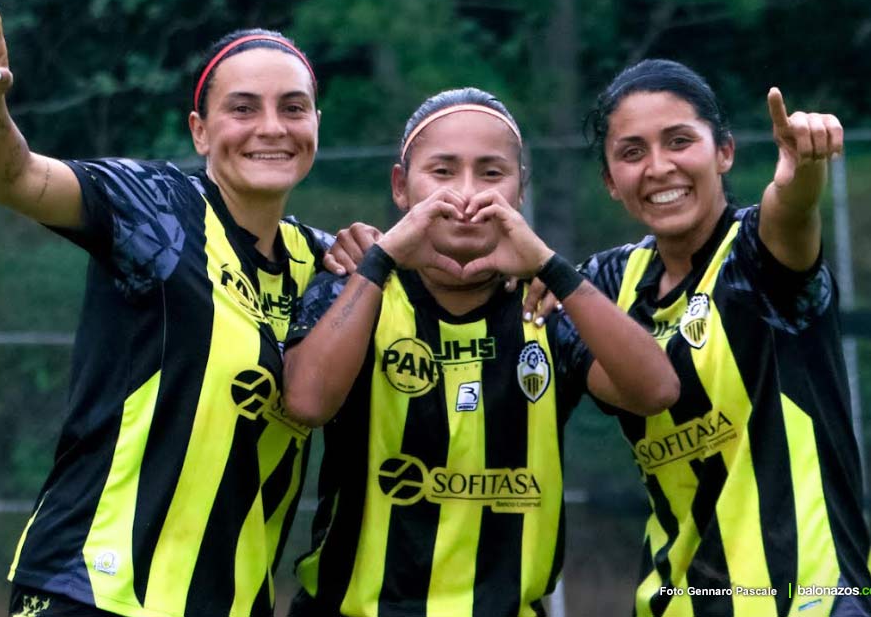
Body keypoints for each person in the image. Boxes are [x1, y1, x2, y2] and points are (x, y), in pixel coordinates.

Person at [0, 0, 334, 617]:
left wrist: (533, 276)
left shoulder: (327, 269)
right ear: (199, 130)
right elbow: (15, 176)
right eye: (243, 107)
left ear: (316, 124)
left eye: (293, 108)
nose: (271, 127)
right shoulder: (154, 209)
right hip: (93, 591)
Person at [280, 88, 680, 617]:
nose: (466, 195)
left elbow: (656, 391)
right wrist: (379, 263)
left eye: (491, 174)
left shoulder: (548, 305)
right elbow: (305, 402)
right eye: (442, 172)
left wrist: (552, 267)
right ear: (402, 186)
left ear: (520, 190)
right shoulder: (355, 289)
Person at [537, 59, 871, 615]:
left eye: (679, 141)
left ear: (724, 152)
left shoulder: (756, 255)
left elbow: (789, 214)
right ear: (609, 182)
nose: (658, 167)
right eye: (631, 152)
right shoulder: (602, 284)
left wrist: (804, 171)